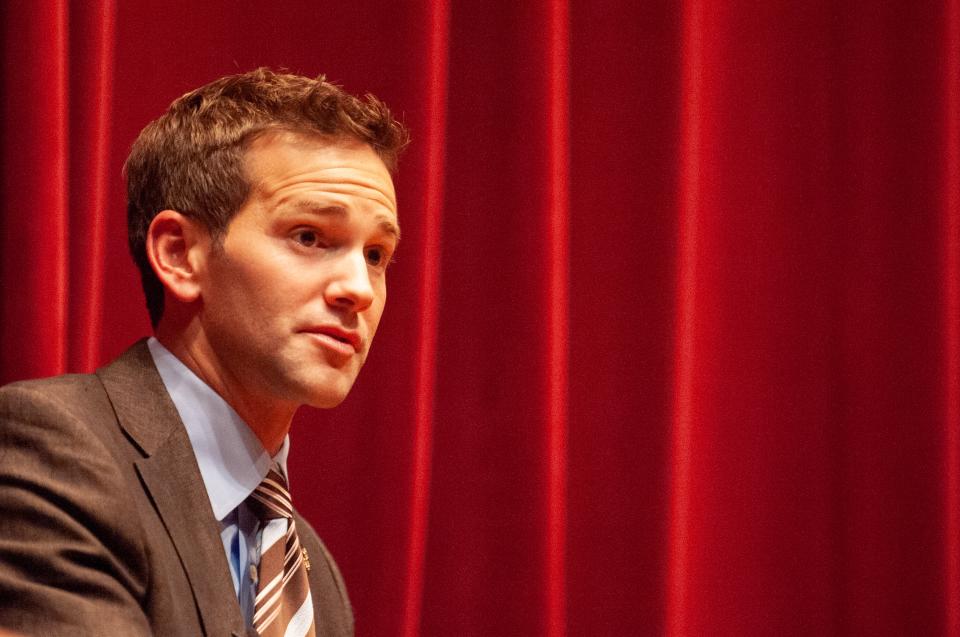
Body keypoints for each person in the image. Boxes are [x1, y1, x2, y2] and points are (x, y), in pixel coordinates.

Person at [0, 68, 408, 636]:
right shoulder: (53, 450)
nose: (359, 290)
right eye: (309, 236)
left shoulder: (312, 574)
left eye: (375, 254)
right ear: (179, 255)